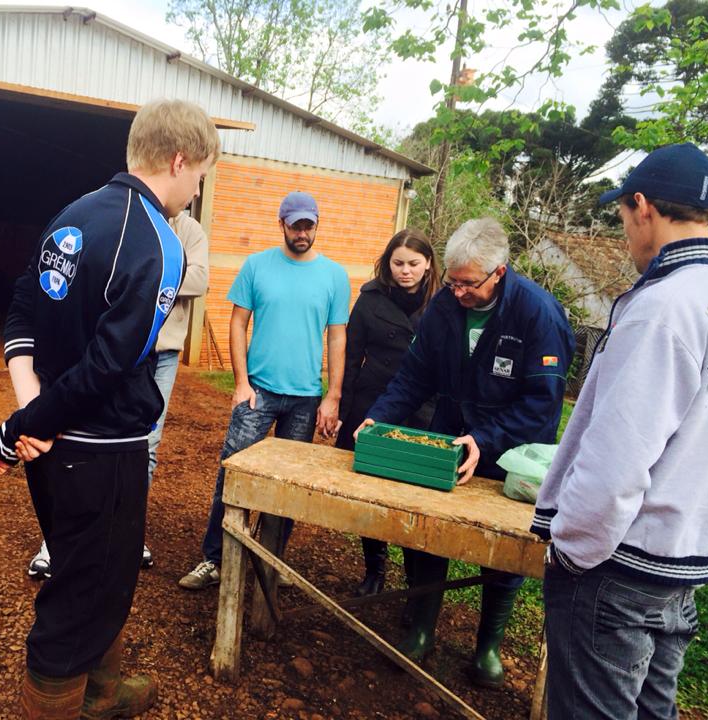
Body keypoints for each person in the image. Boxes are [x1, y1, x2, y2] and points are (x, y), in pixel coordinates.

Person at [0, 98, 220, 719]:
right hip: (103, 449)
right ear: (179, 161)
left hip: (49, 447)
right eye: (200, 175)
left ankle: (103, 693)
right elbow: (109, 367)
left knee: (98, 574)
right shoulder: (160, 244)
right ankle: (67, 704)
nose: (196, 189)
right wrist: (18, 428)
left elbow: (21, 308)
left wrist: (31, 416)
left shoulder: (71, 214)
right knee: (82, 596)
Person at [532, 142, 708, 719]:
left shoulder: (664, 307)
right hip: (680, 562)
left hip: (618, 570)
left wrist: (571, 551)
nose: (626, 234)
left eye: (623, 217)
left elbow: (618, 458)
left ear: (643, 207)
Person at [357, 217, 574, 688]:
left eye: (468, 285)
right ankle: (421, 629)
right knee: (430, 533)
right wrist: (379, 417)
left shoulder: (538, 314)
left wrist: (487, 438)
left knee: (502, 548)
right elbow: (414, 376)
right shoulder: (444, 306)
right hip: (448, 436)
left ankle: (487, 647)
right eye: (452, 283)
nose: (458, 293)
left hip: (509, 452)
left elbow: (542, 405)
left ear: (499, 272)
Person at [178, 190, 350, 591]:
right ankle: (215, 559)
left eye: (309, 226)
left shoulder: (334, 276)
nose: (303, 233)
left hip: (305, 397)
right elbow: (238, 323)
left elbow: (337, 337)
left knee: (286, 485)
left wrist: (333, 395)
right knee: (233, 472)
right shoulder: (257, 265)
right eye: (296, 225)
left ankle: (270, 561)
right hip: (258, 391)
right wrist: (240, 383)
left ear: (316, 226)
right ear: (282, 224)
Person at [26, 213, 209, 578]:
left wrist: (140, 273)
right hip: (114, 348)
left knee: (146, 447)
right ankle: (59, 539)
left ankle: (125, 531)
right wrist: (162, 274)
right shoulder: (125, 216)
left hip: (162, 355)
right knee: (78, 437)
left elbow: (200, 280)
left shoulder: (190, 230)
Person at [335, 228, 440, 597]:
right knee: (372, 490)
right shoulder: (370, 299)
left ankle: (414, 583)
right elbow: (351, 357)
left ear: (428, 264)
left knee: (416, 497)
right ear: (387, 263)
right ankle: (375, 569)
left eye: (413, 263)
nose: (405, 271)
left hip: (423, 410)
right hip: (373, 403)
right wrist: (342, 408)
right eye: (398, 263)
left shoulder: (444, 304)